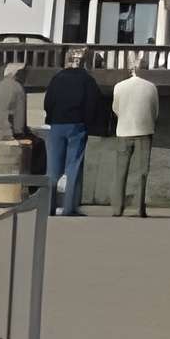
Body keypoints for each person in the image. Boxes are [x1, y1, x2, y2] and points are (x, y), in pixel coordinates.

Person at [39, 48, 111, 216]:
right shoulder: (87, 80)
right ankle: (69, 207)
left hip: (56, 124)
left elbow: (48, 102)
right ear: (84, 62)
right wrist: (88, 122)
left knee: (53, 168)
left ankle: (48, 206)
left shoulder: (57, 78)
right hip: (77, 125)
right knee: (73, 167)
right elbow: (93, 104)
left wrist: (52, 117)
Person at [108, 65, 160, 216]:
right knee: (142, 171)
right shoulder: (151, 87)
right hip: (145, 130)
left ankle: (118, 208)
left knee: (120, 171)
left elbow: (115, 108)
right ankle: (139, 208)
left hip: (123, 131)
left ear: (131, 71)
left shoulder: (119, 86)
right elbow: (155, 111)